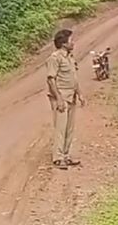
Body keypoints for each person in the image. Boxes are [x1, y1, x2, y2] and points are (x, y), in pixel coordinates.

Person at [46, 29, 85, 169]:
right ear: (63, 43)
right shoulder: (54, 58)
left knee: (69, 128)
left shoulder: (69, 57)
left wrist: (79, 93)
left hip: (71, 96)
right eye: (70, 40)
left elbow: (74, 78)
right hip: (61, 96)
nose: (73, 42)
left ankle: (66, 155)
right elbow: (51, 80)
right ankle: (58, 157)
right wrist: (59, 99)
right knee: (60, 128)